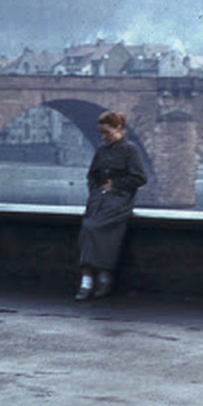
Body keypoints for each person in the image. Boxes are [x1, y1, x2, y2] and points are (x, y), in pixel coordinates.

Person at [75, 111, 147, 301]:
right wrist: (95, 192)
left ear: (119, 129)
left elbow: (140, 178)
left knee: (94, 227)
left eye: (107, 133)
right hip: (99, 200)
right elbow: (92, 176)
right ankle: (91, 276)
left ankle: (94, 276)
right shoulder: (101, 150)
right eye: (101, 133)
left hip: (120, 201)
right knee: (87, 227)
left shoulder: (130, 150)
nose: (104, 137)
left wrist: (115, 186)